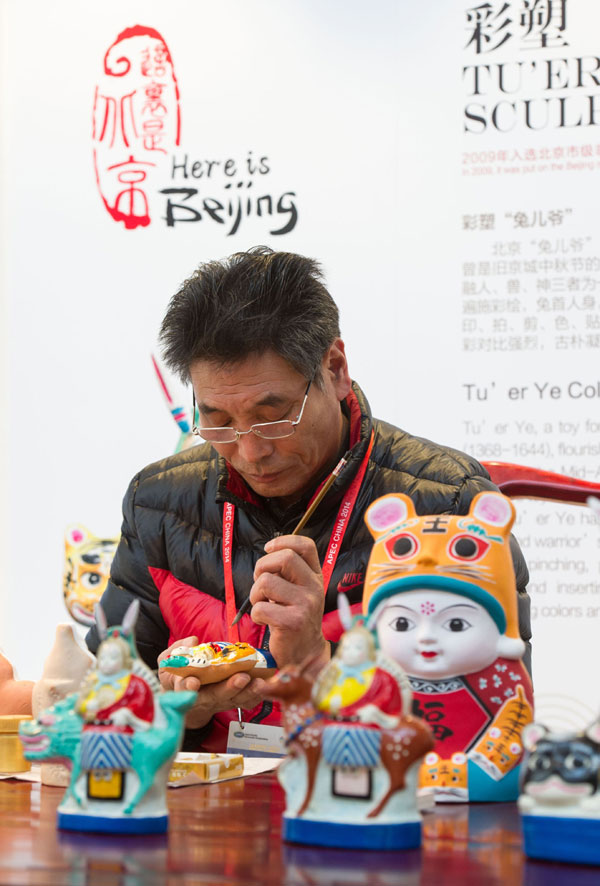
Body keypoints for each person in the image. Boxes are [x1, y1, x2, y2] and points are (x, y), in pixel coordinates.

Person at [87, 247, 530, 752]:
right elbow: (101, 704)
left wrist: (320, 665)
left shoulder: (445, 503)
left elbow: (492, 728)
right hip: (209, 821)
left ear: (335, 369)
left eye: (273, 416)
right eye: (218, 421)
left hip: (369, 812)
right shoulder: (159, 501)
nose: (250, 451)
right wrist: (173, 712)